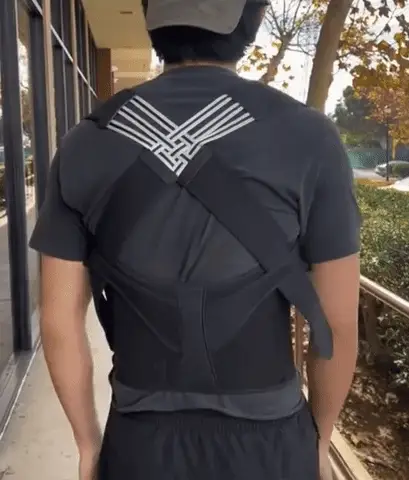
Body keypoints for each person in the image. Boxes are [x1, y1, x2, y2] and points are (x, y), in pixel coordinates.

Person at [30, 0, 361, 479]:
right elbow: (338, 323)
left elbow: (59, 319)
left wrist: (87, 444)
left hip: (140, 439)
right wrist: (321, 437)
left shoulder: (83, 143)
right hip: (270, 439)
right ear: (251, 20)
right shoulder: (310, 138)